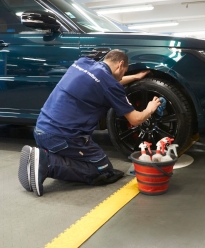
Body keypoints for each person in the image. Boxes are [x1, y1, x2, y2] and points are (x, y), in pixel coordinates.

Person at [18, 49, 161, 197]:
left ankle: (45, 156)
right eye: (124, 72)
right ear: (120, 64)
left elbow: (106, 82)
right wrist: (150, 109)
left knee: (86, 160)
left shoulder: (82, 63)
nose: (122, 76)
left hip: (42, 129)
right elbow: (135, 119)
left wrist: (134, 77)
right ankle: (46, 163)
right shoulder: (110, 85)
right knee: (103, 170)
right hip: (63, 138)